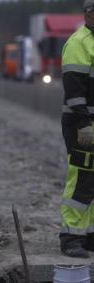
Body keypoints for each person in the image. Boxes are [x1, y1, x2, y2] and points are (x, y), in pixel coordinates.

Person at [60, 0, 94, 258]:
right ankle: (71, 238)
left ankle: (89, 237)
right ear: (87, 14)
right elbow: (74, 88)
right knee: (82, 179)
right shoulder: (78, 42)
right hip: (82, 125)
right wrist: (84, 124)